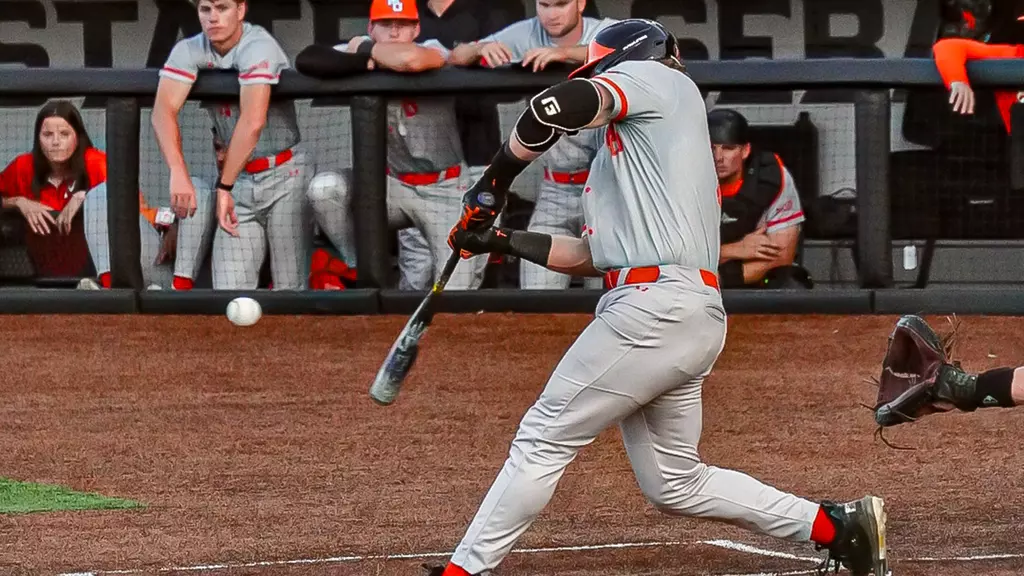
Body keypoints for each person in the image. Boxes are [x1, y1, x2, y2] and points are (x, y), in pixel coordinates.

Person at [432, 20, 887, 576]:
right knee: (676, 482)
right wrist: (499, 239)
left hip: (654, 308)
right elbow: (591, 256)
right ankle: (839, 527)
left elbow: (555, 105)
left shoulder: (660, 80)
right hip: (674, 311)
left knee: (543, 438)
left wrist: (496, 180)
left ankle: (463, 571)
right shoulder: (627, 161)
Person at [298, 0, 488, 291]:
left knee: (456, 292)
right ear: (371, 28)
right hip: (390, 187)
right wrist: (362, 59)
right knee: (324, 189)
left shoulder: (432, 47)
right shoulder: (361, 53)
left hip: (444, 189)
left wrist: (364, 51)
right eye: (386, 24)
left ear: (417, 29)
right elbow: (308, 59)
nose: (395, 31)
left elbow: (411, 61)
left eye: (402, 25)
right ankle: (359, 264)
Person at [450, 0, 614, 290]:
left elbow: (640, 52)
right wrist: (479, 49)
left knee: (607, 298)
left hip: (606, 189)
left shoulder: (606, 31)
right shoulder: (526, 33)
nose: (551, 14)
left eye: (561, 4)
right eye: (544, 4)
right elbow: (456, 56)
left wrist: (563, 54)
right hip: (555, 189)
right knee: (536, 294)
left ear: (581, 3)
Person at [152, 0, 312, 291]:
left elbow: (252, 122)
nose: (213, 17)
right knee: (229, 293)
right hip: (240, 182)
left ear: (240, 10)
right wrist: (177, 170)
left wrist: (223, 187)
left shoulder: (259, 45)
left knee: (291, 291)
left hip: (285, 173)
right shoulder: (190, 49)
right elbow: (162, 111)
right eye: (205, 9)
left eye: (222, 8)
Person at [392, 0, 517, 290]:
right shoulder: (409, 14)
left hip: (477, 147)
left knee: (472, 262)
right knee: (416, 267)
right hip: (420, 159)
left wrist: (474, 53)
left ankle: (463, 330)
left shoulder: (486, 11)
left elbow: (510, 68)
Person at [79, 127, 219, 291]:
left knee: (198, 188)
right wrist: (175, 224)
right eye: (217, 148)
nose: (221, 157)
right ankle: (111, 289)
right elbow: (158, 216)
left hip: (202, 287)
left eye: (226, 149)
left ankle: (180, 291)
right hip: (162, 271)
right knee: (102, 192)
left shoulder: (241, 197)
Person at [0, 100, 101, 280]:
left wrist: (87, 196)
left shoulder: (95, 162)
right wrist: (18, 202)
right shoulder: (23, 167)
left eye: (64, 134)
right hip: (39, 279)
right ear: (38, 139)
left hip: (95, 277)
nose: (55, 142)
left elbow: (128, 203)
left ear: (78, 137)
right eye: (47, 134)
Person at [708, 108, 809, 289]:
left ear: (745, 150)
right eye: (711, 148)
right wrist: (735, 249)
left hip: (743, 277)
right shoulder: (684, 180)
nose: (718, 157)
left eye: (729, 148)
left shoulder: (770, 177)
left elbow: (781, 256)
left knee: (791, 283)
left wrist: (720, 278)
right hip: (694, 282)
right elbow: (671, 257)